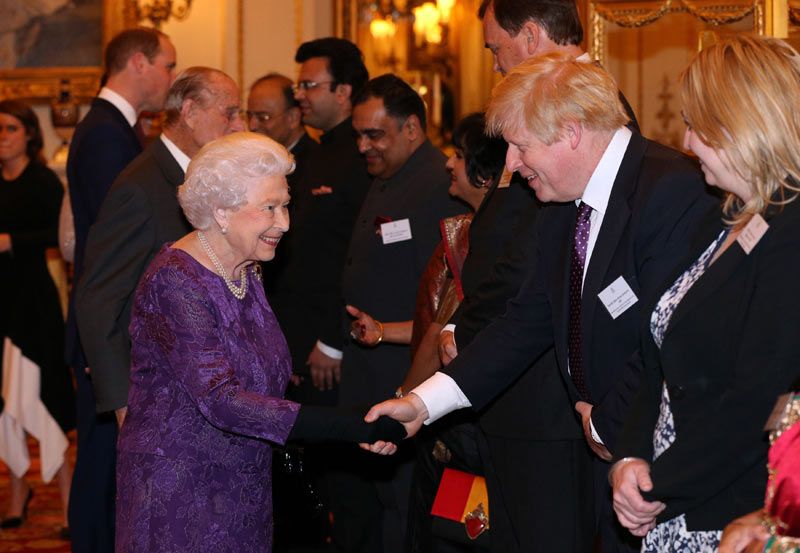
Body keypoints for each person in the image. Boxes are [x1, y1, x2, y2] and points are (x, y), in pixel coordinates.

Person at [364, 53, 719, 553]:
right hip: (592, 445)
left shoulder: (672, 190)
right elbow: (523, 321)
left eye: (518, 145)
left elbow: (668, 339)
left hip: (650, 452)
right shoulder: (562, 199)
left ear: (570, 132)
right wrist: (422, 403)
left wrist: (606, 423)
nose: (510, 164)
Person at [114, 131, 404, 553]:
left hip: (243, 483)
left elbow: (265, 380)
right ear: (221, 212)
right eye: (270, 207)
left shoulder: (246, 270)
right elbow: (222, 399)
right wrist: (346, 424)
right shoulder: (176, 281)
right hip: (179, 493)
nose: (284, 222)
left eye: (286, 205)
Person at [437, 2, 640, 550]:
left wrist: (465, 327)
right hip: (518, 371)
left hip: (550, 397)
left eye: (496, 48)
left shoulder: (591, 124)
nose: (496, 64)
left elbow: (539, 261)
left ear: (530, 35)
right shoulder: (541, 122)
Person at [609, 35, 800, 551]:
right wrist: (629, 459)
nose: (687, 143)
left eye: (697, 127)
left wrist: (657, 485)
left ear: (744, 123)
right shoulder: (724, 218)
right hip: (672, 498)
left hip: (728, 515)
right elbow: (657, 363)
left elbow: (757, 401)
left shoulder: (790, 232)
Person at [349, 112, 505, 553]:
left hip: (459, 430)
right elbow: (436, 326)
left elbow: (443, 336)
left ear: (486, 172)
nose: (448, 164)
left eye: (458, 155)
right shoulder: (466, 232)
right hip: (454, 418)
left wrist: (406, 400)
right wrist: (381, 332)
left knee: (453, 536)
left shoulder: (480, 243)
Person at [336, 73, 467, 553]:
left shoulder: (439, 184)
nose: (363, 146)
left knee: (405, 511)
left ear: (412, 128)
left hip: (408, 374)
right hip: (368, 369)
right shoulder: (386, 176)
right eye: (358, 135)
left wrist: (409, 386)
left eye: (375, 135)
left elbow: (446, 303)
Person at [76, 67, 245, 424]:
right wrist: (124, 405)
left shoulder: (203, 176)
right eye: (229, 112)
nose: (239, 125)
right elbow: (98, 300)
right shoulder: (140, 187)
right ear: (189, 111)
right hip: (155, 394)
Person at [65, 26, 176, 553]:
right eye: (168, 66)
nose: (170, 78)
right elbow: (113, 254)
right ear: (138, 63)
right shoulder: (108, 133)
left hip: (108, 328)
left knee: (109, 472)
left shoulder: (113, 127)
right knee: (102, 473)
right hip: (106, 333)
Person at [0, 99, 74, 535]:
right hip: (0, 306)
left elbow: (61, 234)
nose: (2, 137)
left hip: (34, 306)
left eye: (9, 128)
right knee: (4, 405)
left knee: (48, 402)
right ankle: (16, 494)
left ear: (29, 133)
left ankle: (67, 505)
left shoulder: (44, 180)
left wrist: (14, 241)